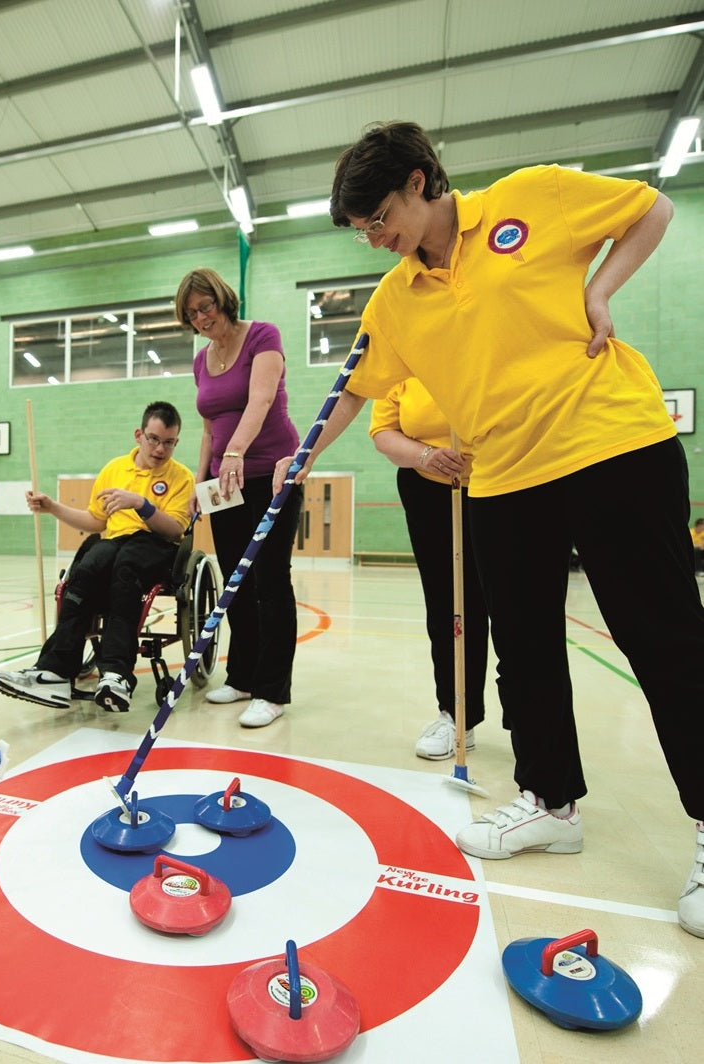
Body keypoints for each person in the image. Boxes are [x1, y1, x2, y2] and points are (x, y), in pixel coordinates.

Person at [277, 120, 704, 938]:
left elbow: (648, 209)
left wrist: (599, 288)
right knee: (525, 647)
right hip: (502, 477)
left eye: (378, 219)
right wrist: (296, 456)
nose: (375, 240)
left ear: (417, 180)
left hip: (610, 442)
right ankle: (549, 800)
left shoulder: (530, 196)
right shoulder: (394, 297)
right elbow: (354, 391)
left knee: (663, 639)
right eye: (362, 231)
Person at [0, 401, 193, 712]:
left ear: (176, 442)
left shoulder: (181, 477)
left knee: (125, 571)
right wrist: (53, 508)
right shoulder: (114, 469)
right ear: (139, 434)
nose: (160, 449)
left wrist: (141, 503)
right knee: (85, 572)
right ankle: (55, 673)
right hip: (114, 541)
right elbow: (95, 522)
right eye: (153, 439)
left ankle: (116, 674)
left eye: (169, 442)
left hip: (155, 545)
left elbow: (175, 529)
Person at [175, 268, 303, 729]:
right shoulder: (200, 361)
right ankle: (243, 676)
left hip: (270, 475)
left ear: (223, 299)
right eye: (191, 314)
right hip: (222, 485)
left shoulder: (262, 336)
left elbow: (262, 399)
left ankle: (272, 691)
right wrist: (198, 476)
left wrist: (236, 452)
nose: (201, 318)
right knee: (236, 582)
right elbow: (209, 426)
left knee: (270, 581)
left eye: (205, 306)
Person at [370, 378, 490, 759]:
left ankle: (529, 719)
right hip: (428, 485)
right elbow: (383, 431)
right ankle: (457, 715)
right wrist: (426, 456)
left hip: (500, 480)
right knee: (448, 604)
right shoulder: (402, 369)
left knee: (511, 602)